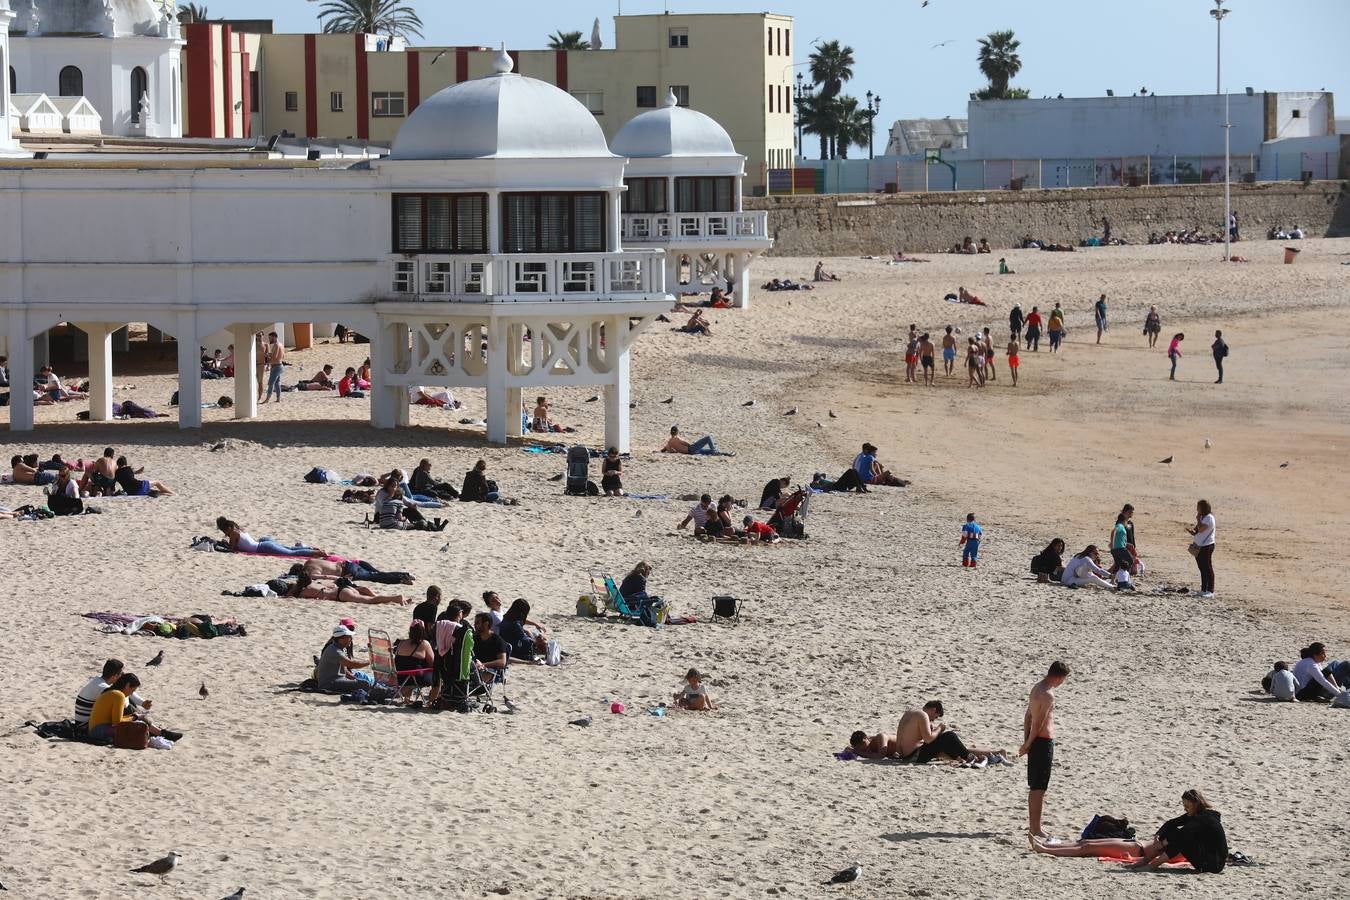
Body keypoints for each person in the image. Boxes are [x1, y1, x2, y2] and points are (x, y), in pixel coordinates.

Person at [1030, 789, 1227, 874]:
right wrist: (1159, 835)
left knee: (1087, 846)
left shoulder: (1203, 820)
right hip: (1143, 847)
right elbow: (1172, 822)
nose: (1185, 810)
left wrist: (1155, 850)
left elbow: (1181, 837)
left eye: (1187, 806)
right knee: (1084, 844)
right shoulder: (1198, 817)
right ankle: (1047, 845)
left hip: (1207, 863)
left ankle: (1046, 849)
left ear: (1196, 803)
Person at [1020, 661, 1069, 838]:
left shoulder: (1036, 688)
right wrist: (1028, 744)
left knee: (1035, 786)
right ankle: (1035, 828)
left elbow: (1028, 717)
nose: (1062, 683)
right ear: (1058, 677)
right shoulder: (1048, 695)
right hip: (1042, 742)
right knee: (1039, 787)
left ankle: (1034, 826)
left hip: (1035, 741)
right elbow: (1039, 722)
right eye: (1063, 679)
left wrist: (1026, 741)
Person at [896, 701, 1009, 765]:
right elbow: (928, 739)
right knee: (950, 736)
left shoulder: (910, 712)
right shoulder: (923, 715)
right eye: (935, 717)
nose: (933, 720)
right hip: (913, 756)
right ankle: (973, 757)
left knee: (951, 747)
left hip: (904, 755)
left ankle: (992, 754)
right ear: (934, 710)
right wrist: (940, 728)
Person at [87, 673, 164, 743]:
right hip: (99, 732)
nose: (132, 693)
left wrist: (133, 717)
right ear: (127, 685)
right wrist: (135, 717)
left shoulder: (112, 692)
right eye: (133, 690)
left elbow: (116, 720)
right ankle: (158, 734)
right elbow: (117, 722)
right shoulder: (119, 695)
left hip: (95, 730)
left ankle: (157, 734)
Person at [74, 659, 149, 726]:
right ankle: (152, 729)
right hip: (87, 725)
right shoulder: (104, 688)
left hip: (82, 721)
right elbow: (125, 702)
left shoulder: (98, 681)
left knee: (126, 701)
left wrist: (142, 702)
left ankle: (150, 727)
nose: (122, 677)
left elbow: (126, 692)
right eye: (121, 674)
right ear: (114, 676)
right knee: (126, 706)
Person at [216, 517, 326, 558]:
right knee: (289, 548)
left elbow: (232, 549)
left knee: (290, 553)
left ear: (228, 528)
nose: (226, 533)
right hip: (264, 543)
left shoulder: (234, 533)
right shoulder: (238, 529)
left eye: (225, 531)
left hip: (263, 547)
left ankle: (316, 552)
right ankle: (312, 549)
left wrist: (225, 546)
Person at [283, 572, 409, 605]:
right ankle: (386, 597)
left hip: (341, 595)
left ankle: (396, 598)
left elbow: (290, 596)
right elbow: (333, 584)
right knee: (364, 591)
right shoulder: (317, 583)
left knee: (369, 601)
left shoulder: (304, 591)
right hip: (342, 588)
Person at [317, 625, 370, 693]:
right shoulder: (335, 651)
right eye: (349, 637)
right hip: (330, 684)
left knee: (361, 681)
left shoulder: (337, 647)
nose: (351, 639)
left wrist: (352, 677)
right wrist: (371, 661)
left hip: (332, 681)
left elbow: (344, 668)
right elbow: (351, 664)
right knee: (364, 684)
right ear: (341, 639)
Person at [291, 558, 415, 587]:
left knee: (375, 577)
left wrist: (342, 578)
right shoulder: (310, 561)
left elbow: (327, 576)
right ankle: (406, 575)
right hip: (347, 563)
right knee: (377, 573)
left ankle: (401, 578)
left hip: (347, 572)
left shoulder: (310, 573)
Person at [393, 621, 435, 700]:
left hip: (401, 678)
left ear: (410, 631)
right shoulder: (424, 644)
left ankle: (407, 698)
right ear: (423, 631)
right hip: (415, 678)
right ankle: (432, 699)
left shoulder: (401, 643)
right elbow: (433, 664)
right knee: (437, 674)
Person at [499, 598, 549, 662]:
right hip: (514, 649)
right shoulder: (515, 624)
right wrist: (535, 641)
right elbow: (524, 641)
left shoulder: (508, 617)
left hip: (508, 643)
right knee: (542, 641)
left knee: (539, 638)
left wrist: (535, 624)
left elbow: (522, 622)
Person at [1186, 499, 1216, 597]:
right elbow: (1197, 530)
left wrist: (1198, 519)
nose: (1197, 509)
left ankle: (1210, 590)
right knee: (1202, 568)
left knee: (1208, 568)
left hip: (1207, 545)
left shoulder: (1209, 518)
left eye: (1198, 507)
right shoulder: (1203, 517)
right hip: (1199, 546)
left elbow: (1202, 529)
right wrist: (1192, 531)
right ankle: (1203, 589)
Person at [262, 331, 284, 404]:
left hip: (276, 366)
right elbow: (282, 356)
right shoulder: (281, 344)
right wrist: (269, 354)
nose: (269, 339)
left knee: (271, 383)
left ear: (274, 337)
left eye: (270, 338)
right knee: (277, 383)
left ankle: (267, 399)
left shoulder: (277, 345)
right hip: (280, 366)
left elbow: (275, 357)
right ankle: (278, 398)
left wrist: (268, 359)